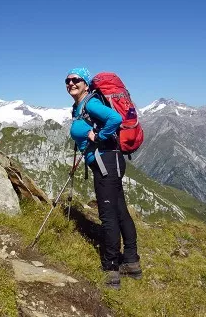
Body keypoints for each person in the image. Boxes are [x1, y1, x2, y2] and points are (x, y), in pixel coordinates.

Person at [66, 67, 141, 290]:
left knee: (108, 216)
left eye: (76, 79)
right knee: (120, 211)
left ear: (86, 83)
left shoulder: (90, 103)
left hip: (105, 162)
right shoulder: (80, 105)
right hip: (110, 160)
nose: (70, 83)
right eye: (67, 80)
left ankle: (111, 270)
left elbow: (115, 118)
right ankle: (131, 262)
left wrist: (98, 136)